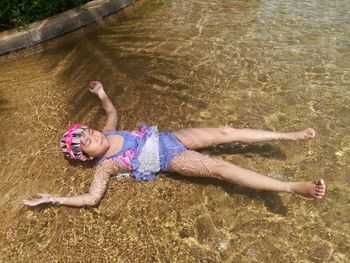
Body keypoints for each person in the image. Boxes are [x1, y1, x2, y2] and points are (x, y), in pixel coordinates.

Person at [24, 81, 326, 207]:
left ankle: (288, 135)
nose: (95, 137)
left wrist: (102, 94)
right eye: (88, 142)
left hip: (172, 138)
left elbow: (112, 112)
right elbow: (91, 198)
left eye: (90, 132)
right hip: (171, 161)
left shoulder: (109, 131)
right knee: (220, 168)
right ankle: (290, 187)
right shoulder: (104, 167)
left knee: (224, 131)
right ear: (86, 157)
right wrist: (56, 198)